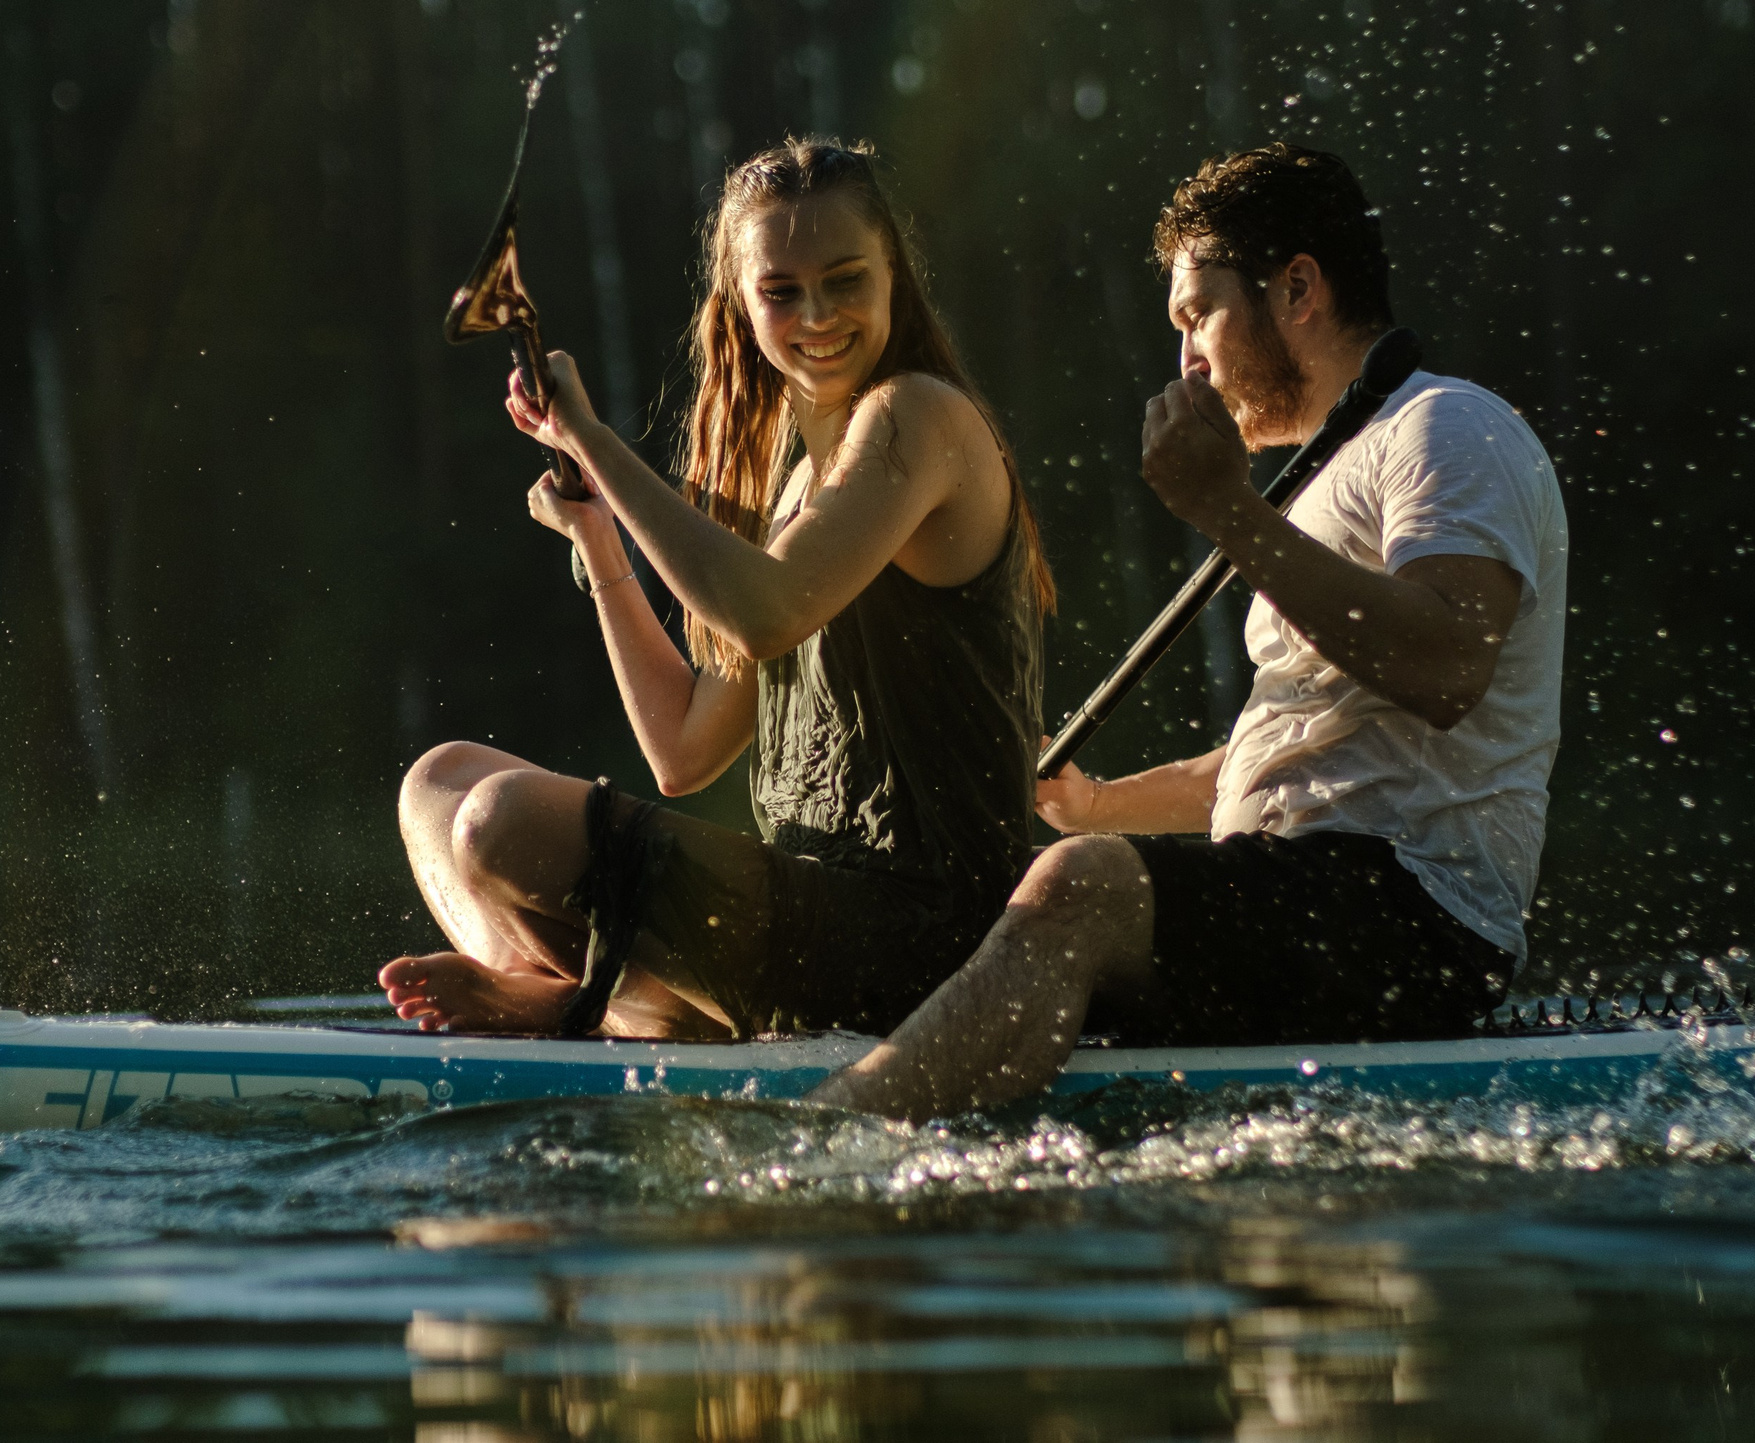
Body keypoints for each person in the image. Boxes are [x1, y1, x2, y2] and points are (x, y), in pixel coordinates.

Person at [807, 143, 1567, 1117]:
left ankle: (822, 1143)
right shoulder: (1318, 485)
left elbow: (1448, 666)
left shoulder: (1448, 426)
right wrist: (1100, 805)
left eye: (1196, 315)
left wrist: (1228, 511)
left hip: (1416, 923)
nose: (1184, 361)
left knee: (1077, 890)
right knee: (1042, 892)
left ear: (1297, 289)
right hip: (1306, 904)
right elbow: (1303, 752)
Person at [380, 139, 1053, 1039]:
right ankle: (600, 1003)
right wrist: (598, 536)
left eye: (845, 279)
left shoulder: (917, 417)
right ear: (741, 301)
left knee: (501, 822)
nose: (817, 314)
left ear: (894, 271)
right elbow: (684, 750)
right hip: (809, 918)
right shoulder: (788, 482)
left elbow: (767, 612)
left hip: (929, 944)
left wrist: (592, 440)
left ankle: (596, 1008)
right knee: (439, 784)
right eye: (780, 291)